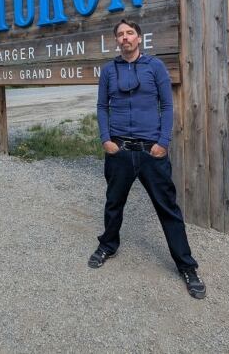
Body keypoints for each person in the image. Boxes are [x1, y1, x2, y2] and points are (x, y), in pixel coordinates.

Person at [88, 18, 206, 299]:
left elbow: (167, 105)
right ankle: (108, 244)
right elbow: (102, 106)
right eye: (120, 34)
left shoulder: (155, 67)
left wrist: (163, 142)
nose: (125, 38)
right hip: (119, 150)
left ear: (139, 39)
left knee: (168, 209)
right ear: (116, 41)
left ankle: (186, 266)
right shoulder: (109, 71)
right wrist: (106, 139)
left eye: (130, 33)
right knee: (114, 203)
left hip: (151, 152)